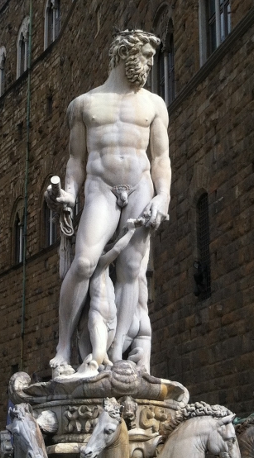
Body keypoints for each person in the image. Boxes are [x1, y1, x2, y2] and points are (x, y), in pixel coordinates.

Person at [47, 30, 171, 376]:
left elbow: (161, 159)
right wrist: (70, 193)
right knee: (85, 262)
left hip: (140, 186)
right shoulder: (84, 105)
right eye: (145, 56)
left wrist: (163, 196)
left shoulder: (154, 104)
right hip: (101, 188)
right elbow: (76, 160)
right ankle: (63, 346)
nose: (149, 63)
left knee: (132, 269)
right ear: (123, 54)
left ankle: (115, 355)